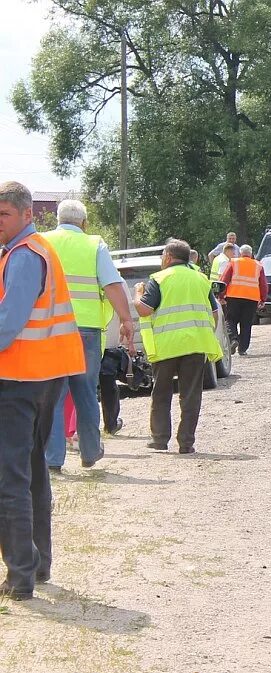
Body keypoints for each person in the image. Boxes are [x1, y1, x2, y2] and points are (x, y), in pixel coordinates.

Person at [0, 180, 86, 600]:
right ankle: (39, 563)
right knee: (33, 470)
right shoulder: (37, 250)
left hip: (18, 380)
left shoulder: (22, 257)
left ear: (27, 214)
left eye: (4, 215)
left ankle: (20, 577)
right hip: (45, 377)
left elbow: (7, 325)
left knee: (9, 477)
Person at [42, 199, 137, 471]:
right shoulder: (94, 244)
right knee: (85, 392)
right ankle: (90, 451)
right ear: (84, 222)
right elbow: (112, 285)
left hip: (50, 330)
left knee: (54, 394)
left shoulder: (42, 243)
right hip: (86, 330)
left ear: (57, 220)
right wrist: (126, 319)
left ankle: (53, 459)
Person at [134, 239, 223, 454]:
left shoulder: (159, 279)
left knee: (161, 393)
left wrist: (137, 292)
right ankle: (186, 442)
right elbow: (213, 313)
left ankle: (160, 439)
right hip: (196, 344)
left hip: (167, 346)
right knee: (191, 395)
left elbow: (144, 310)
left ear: (168, 257)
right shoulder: (201, 279)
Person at [217, 244, 267, 355]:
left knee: (231, 319)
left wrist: (221, 295)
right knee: (246, 323)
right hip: (251, 298)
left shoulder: (234, 262)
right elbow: (263, 284)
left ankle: (233, 338)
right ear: (251, 254)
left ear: (240, 253)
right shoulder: (258, 265)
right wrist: (263, 299)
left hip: (234, 296)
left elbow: (224, 279)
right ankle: (242, 349)